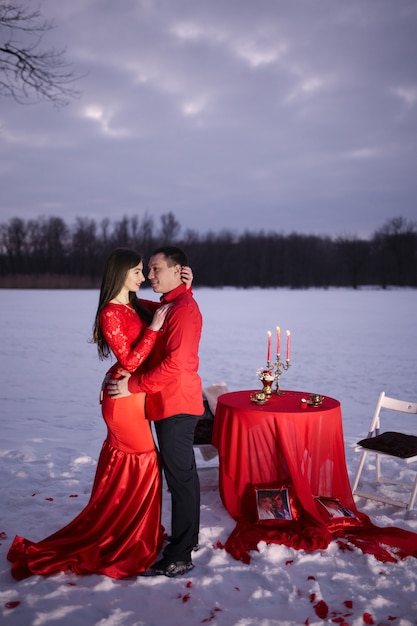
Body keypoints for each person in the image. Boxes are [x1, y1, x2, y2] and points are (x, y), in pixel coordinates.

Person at [7, 248, 190, 580]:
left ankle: (128, 534)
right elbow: (131, 362)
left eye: (146, 271)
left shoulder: (135, 305)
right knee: (141, 463)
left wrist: (185, 287)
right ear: (120, 274)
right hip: (123, 398)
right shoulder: (110, 313)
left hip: (132, 395)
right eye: (137, 271)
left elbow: (168, 306)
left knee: (142, 465)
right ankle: (122, 539)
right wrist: (154, 330)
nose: (144, 277)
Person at [107, 246, 204, 578]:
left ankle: (181, 553)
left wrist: (132, 386)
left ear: (178, 270)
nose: (150, 276)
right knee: (179, 477)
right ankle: (185, 540)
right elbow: (135, 309)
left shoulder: (183, 311)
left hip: (177, 403)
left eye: (155, 269)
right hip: (164, 402)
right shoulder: (170, 304)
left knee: (181, 479)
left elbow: (175, 365)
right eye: (146, 270)